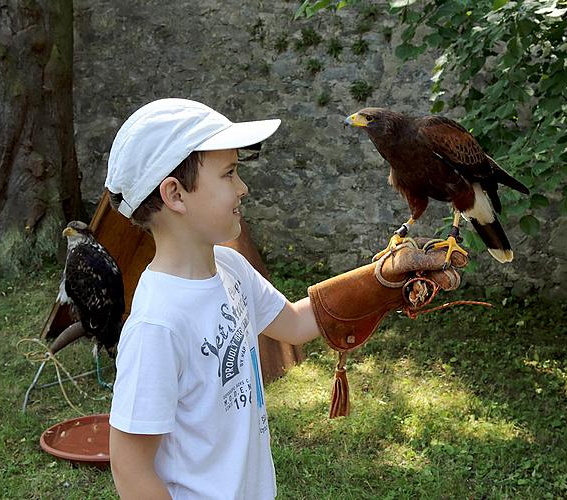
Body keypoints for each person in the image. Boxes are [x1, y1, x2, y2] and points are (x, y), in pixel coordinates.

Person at [105, 98, 466, 499]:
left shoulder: (230, 267)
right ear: (175, 194)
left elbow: (295, 323)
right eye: (229, 174)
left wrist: (382, 282)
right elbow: (130, 467)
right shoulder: (158, 324)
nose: (243, 187)